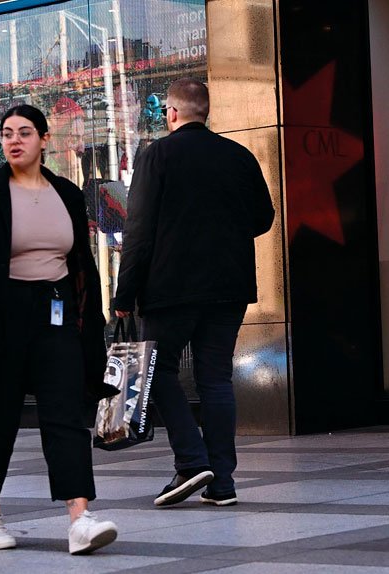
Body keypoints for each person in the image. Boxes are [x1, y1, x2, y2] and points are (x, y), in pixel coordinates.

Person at [0, 104, 119, 555]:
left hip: (56, 311)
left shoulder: (67, 193)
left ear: (43, 140)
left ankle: (80, 516)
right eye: (6, 133)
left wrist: (88, 320)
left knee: (65, 411)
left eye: (24, 132)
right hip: (1, 315)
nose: (14, 140)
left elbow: (80, 262)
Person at [113, 78, 275, 508]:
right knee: (216, 378)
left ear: (171, 113)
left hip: (170, 288)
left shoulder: (156, 156)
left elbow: (139, 232)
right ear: (206, 111)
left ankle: (191, 458)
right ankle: (222, 483)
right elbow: (263, 218)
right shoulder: (238, 156)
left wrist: (122, 294)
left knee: (159, 370)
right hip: (228, 286)